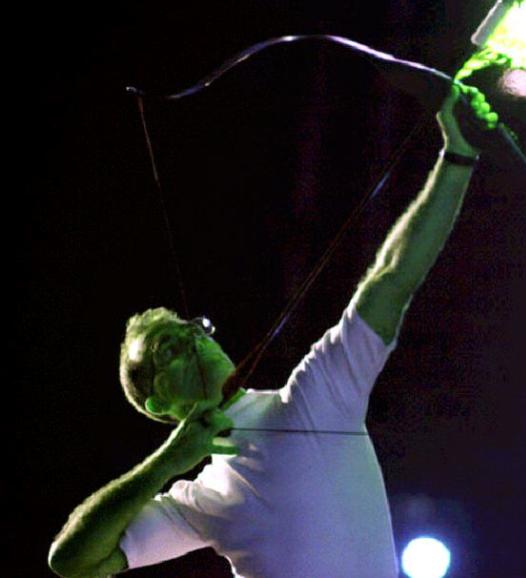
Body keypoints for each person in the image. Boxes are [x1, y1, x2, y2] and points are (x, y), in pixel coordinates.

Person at [49, 84, 496, 578]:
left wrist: (458, 154)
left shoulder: (311, 397)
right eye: (168, 349)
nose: (194, 340)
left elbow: (391, 278)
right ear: (159, 404)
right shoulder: (201, 499)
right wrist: (164, 465)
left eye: (191, 329)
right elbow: (71, 562)